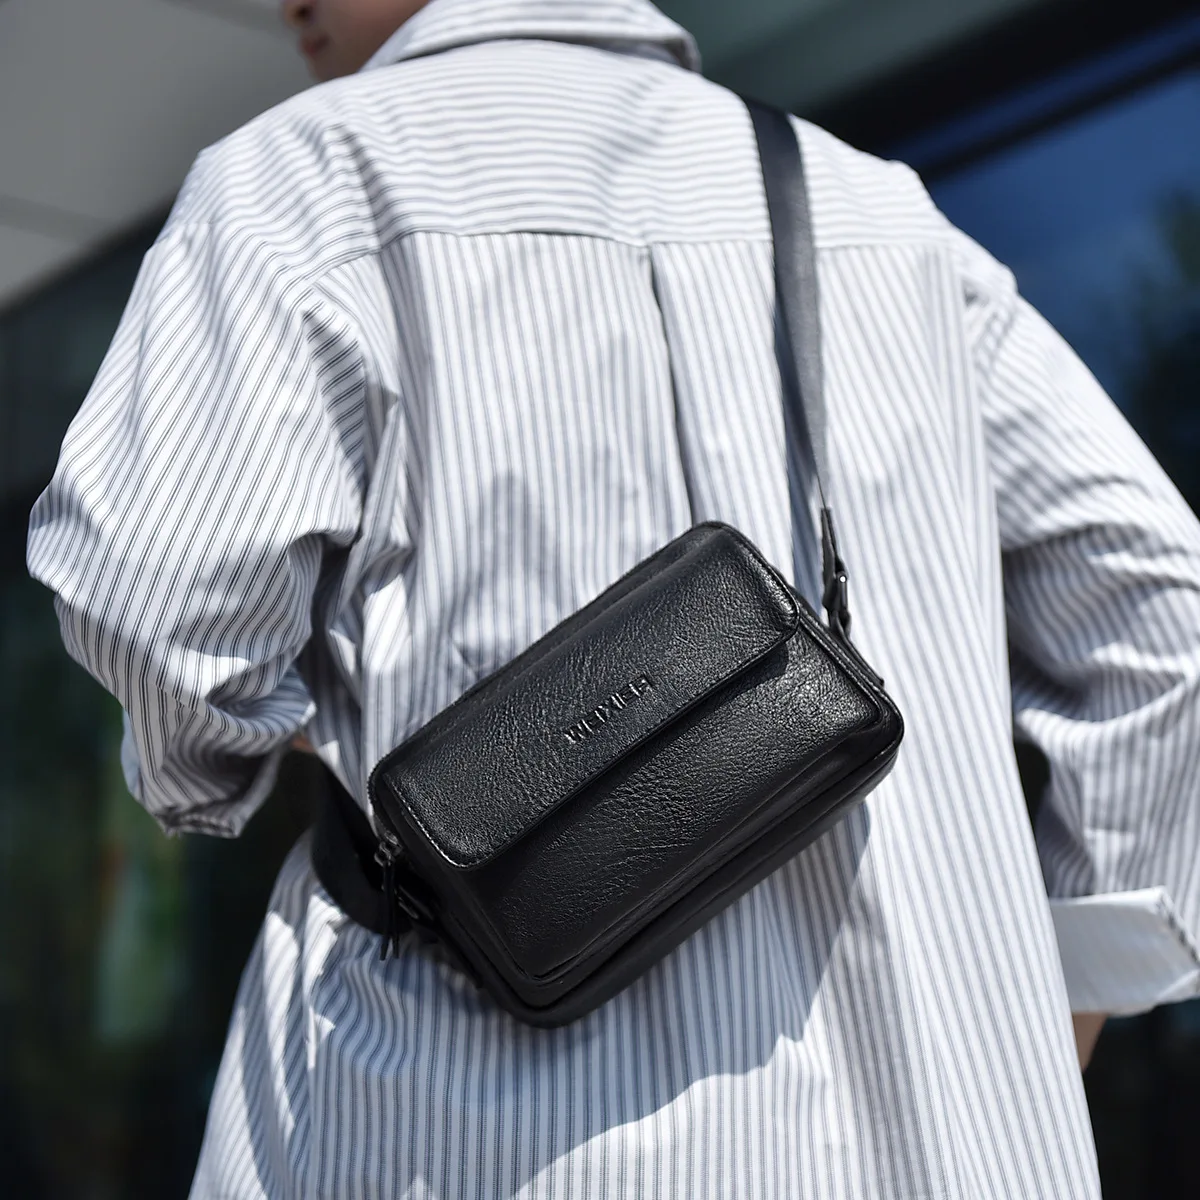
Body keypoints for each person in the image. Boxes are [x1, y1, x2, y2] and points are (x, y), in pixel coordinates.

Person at [25, 0, 1200, 1195]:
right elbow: (1165, 607)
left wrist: (231, 760)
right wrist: (1060, 1010)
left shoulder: (304, 180)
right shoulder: (879, 216)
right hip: (940, 1142)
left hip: (469, 1128)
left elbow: (160, 611)